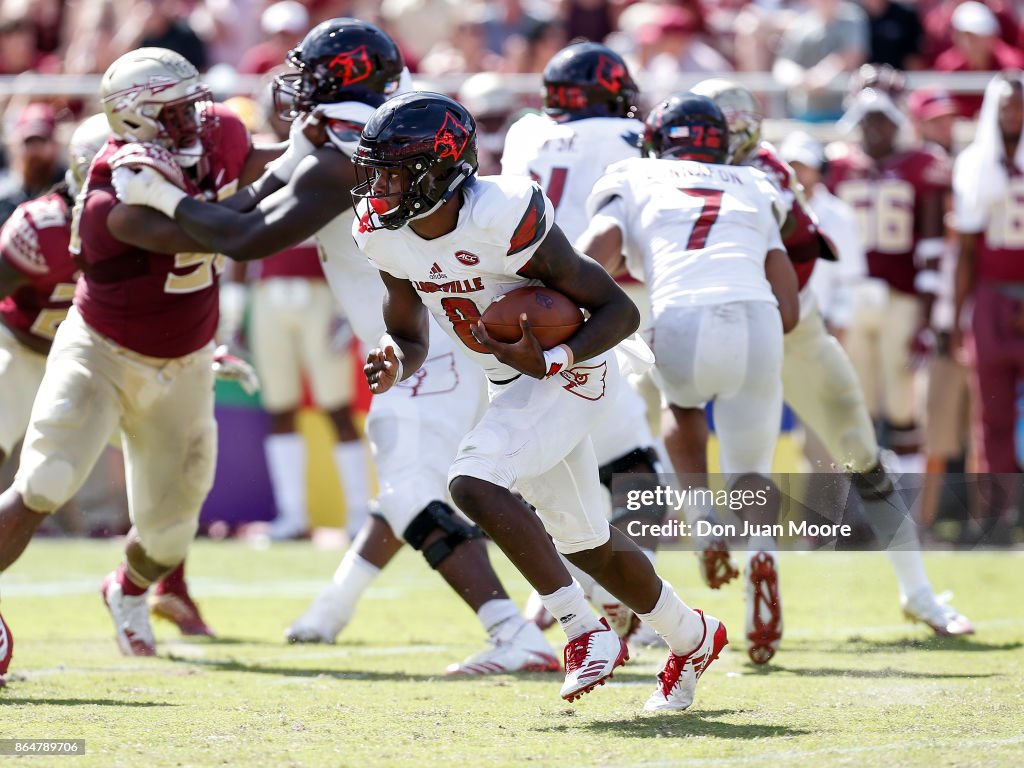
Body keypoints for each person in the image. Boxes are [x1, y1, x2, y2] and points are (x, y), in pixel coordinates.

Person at [110, 19, 558, 676]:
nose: (296, 85)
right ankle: (334, 608)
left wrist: (155, 195)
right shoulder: (365, 136)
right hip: (442, 335)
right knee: (413, 485)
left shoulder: (338, 156)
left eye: (310, 72)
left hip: (428, 345)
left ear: (335, 78)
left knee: (413, 490)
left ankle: (517, 634)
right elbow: (255, 201)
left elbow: (241, 236)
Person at [353, 90, 727, 711]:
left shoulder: (501, 212)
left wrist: (555, 356)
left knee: (472, 481)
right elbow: (408, 331)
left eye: (395, 170)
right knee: (586, 542)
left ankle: (584, 632)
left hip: (572, 371)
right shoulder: (384, 236)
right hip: (514, 382)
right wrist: (395, 356)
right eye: (378, 169)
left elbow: (619, 310)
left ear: (440, 170)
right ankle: (693, 636)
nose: (380, 185)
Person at [0, 48, 274, 673]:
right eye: (175, 112)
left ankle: (127, 588)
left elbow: (257, 168)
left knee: (171, 534)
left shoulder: (218, 136)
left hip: (185, 361)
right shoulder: (102, 211)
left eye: (190, 105)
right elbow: (234, 233)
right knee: (43, 481)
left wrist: (327, 150)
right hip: (95, 353)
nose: (196, 121)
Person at [699, 80, 972, 641]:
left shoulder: (764, 171)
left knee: (853, 452)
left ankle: (915, 592)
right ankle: (743, 591)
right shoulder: (692, 170)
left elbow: (794, 263)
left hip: (782, 324)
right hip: (742, 324)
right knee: (739, 464)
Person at [580, 93, 798, 666]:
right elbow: (790, 302)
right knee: (751, 466)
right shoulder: (751, 182)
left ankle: (703, 523)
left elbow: (595, 250)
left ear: (656, 138)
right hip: (759, 319)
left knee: (682, 408)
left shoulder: (633, 172)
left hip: (683, 314)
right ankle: (760, 553)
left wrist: (563, 301)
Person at [0, 112, 220, 649]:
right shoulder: (45, 225)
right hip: (31, 349)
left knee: (173, 504)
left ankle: (147, 585)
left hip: (130, 361)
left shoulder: (169, 226)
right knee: (42, 479)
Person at [500, 42, 671, 640]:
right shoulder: (628, 137)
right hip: (592, 312)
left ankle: (557, 609)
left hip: (522, 316)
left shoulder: (525, 133)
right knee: (638, 473)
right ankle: (635, 609)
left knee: (566, 475)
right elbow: (619, 234)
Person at [825, 74, 949, 475]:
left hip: (903, 296)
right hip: (851, 298)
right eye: (867, 120)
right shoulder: (839, 164)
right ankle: (859, 512)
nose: (874, 129)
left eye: (883, 120)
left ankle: (905, 517)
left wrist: (929, 318)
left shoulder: (922, 163)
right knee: (854, 402)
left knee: (902, 401)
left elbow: (932, 247)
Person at [952, 71, 1024, 544]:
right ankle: (999, 514)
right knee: (991, 413)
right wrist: (953, 314)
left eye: (1019, 107)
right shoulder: (976, 164)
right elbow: (967, 248)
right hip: (992, 297)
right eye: (1006, 107)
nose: (1012, 116)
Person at [0, 103, 66, 228]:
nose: (35, 151)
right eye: (29, 142)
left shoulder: (69, 190)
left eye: (41, 141)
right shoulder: (4, 195)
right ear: (16, 145)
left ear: (55, 145)